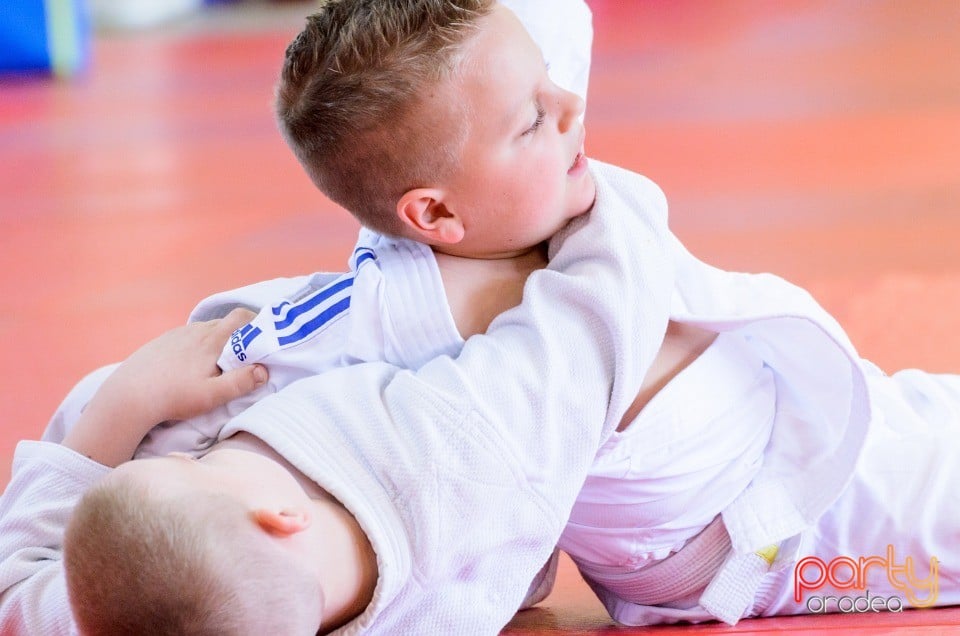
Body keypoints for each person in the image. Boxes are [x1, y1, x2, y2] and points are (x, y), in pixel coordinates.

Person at [165, 0, 960, 625]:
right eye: (533, 119)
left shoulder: (496, 143)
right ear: (433, 216)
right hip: (799, 540)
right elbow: (211, 386)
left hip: (839, 412)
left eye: (549, 82)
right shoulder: (397, 316)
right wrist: (128, 408)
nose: (572, 105)